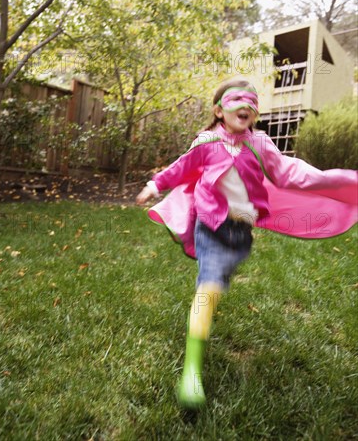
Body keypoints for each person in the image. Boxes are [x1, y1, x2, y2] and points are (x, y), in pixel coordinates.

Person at [136, 77, 357, 409]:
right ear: (218, 110)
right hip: (210, 228)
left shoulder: (262, 144)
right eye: (236, 100)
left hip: (240, 235)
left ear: (255, 113)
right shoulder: (207, 142)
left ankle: (215, 284)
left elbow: (291, 174)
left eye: (251, 102)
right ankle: (191, 372)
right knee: (207, 291)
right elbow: (181, 168)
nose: (245, 105)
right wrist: (155, 185)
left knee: (218, 282)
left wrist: (337, 182)